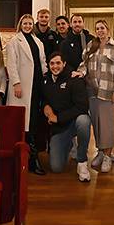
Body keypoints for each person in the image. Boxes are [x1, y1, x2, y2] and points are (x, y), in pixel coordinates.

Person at [75, 20, 114, 173]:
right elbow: (83, 63)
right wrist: (81, 72)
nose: (100, 31)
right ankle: (100, 151)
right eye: (97, 29)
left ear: (107, 29)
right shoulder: (91, 45)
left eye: (102, 28)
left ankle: (108, 156)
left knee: (107, 125)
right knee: (96, 123)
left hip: (107, 91)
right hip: (92, 91)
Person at [6, 14, 48, 175]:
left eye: (30, 23)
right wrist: (16, 83)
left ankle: (32, 157)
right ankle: (27, 160)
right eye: (25, 23)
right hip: (22, 86)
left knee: (34, 121)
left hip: (36, 85)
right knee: (23, 123)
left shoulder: (38, 41)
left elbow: (42, 62)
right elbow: (11, 64)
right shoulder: (15, 41)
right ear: (20, 24)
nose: (28, 25)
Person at [42, 51, 92, 182]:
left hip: (74, 122)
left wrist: (58, 118)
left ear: (64, 63)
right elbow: (44, 100)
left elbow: (82, 107)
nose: (55, 66)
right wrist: (46, 107)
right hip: (60, 128)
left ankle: (82, 162)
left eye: (58, 63)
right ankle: (69, 144)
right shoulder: (46, 79)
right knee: (56, 167)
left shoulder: (74, 78)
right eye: (52, 63)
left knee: (84, 120)